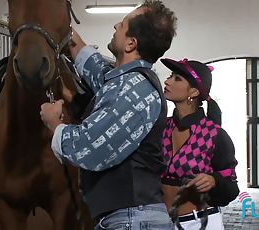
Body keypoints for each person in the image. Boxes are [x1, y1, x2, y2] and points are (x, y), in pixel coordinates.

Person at [40, 1, 177, 229]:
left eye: (122, 25)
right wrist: (62, 26)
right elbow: (95, 68)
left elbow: (88, 146)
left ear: (131, 43)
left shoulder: (134, 90)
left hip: (133, 221)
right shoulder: (126, 82)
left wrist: (54, 122)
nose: (115, 25)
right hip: (131, 219)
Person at [160, 57, 239, 229]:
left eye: (177, 78)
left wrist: (214, 180)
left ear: (194, 92)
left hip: (201, 223)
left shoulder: (214, 134)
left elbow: (232, 190)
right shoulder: (161, 128)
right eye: (170, 76)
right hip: (162, 223)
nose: (167, 81)